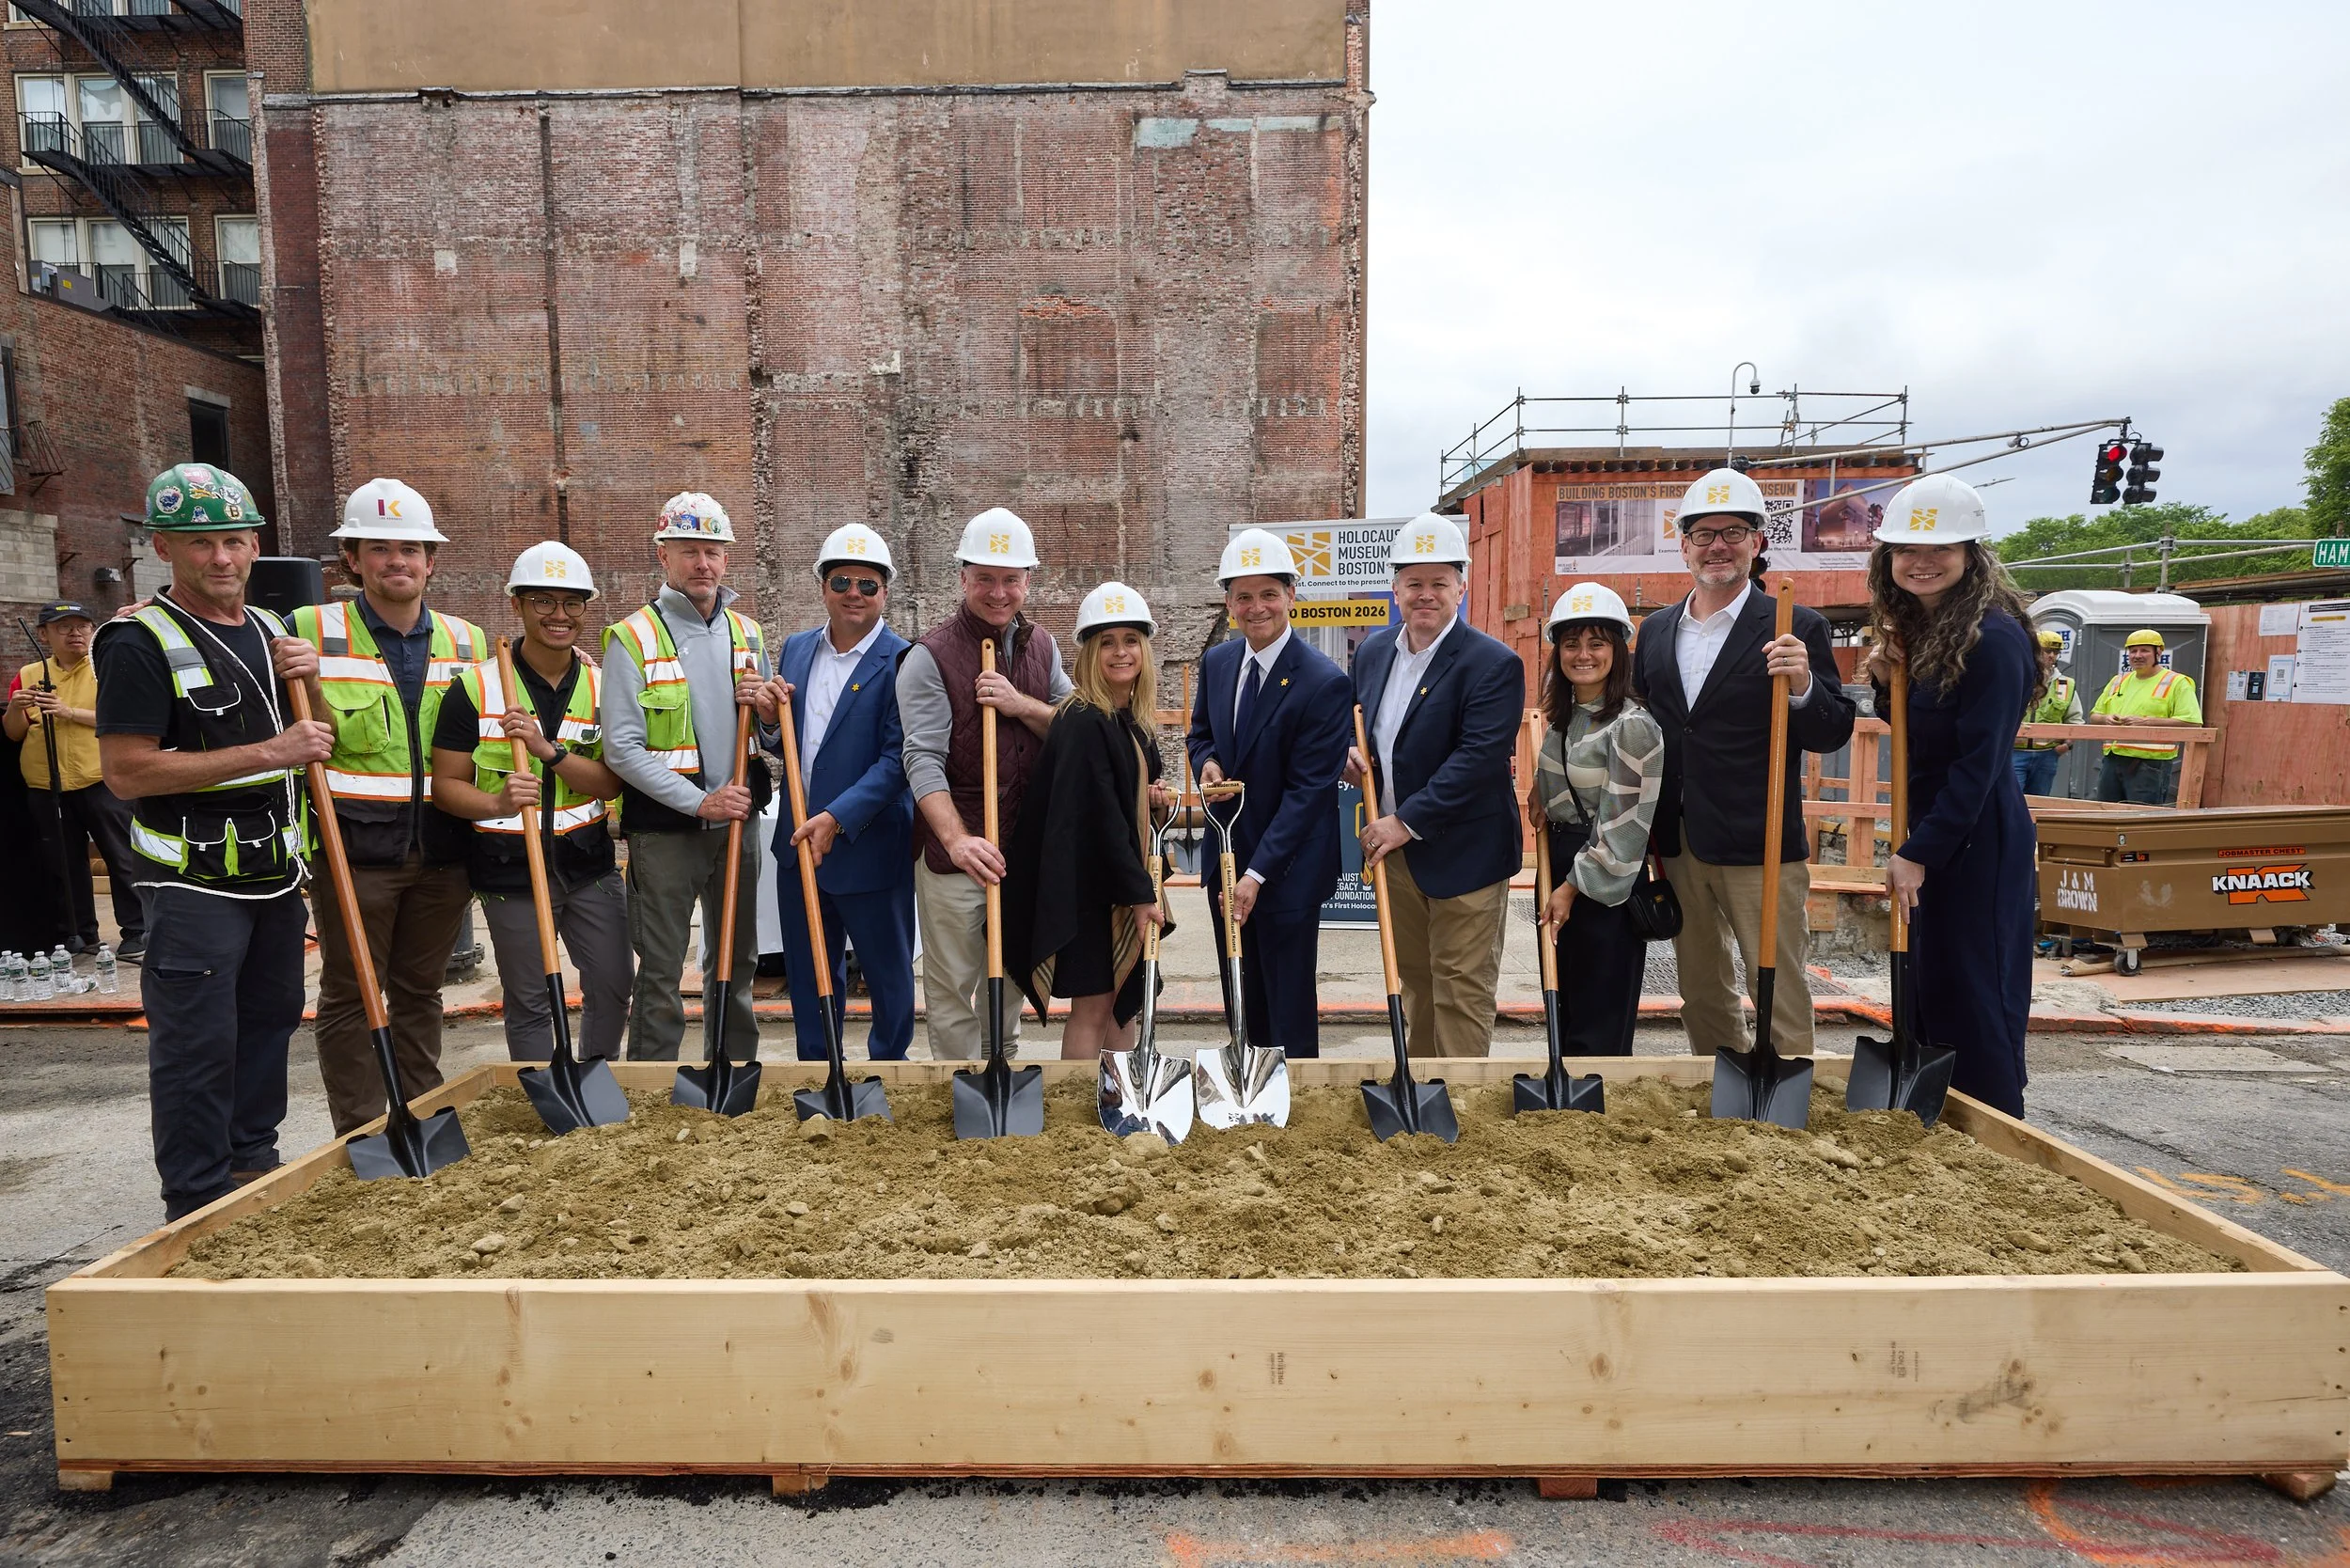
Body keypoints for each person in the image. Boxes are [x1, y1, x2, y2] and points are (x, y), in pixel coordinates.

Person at [94, 463, 331, 1220]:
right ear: (164, 547)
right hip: (193, 887)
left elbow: (315, 740)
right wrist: (270, 754)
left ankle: (253, 1169)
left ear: (256, 543)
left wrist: (312, 679)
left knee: (268, 1025)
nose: (221, 558)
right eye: (201, 544)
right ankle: (195, 1203)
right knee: (197, 1048)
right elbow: (127, 773)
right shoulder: (137, 640)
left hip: (274, 879)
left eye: (233, 540)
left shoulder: (271, 631)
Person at [1633, 467, 1857, 1059]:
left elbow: (1832, 729)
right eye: (1702, 535)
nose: (1717, 546)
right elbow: (1644, 726)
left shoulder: (1794, 626)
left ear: (1757, 542)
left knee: (1778, 984)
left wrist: (1806, 683)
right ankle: (1720, 1083)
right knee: (1701, 986)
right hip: (1679, 838)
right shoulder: (1655, 631)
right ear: (1682, 547)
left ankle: (1787, 1098)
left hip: (1759, 838)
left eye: (1733, 532)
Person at [285, 478, 487, 1134]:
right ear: (353, 560)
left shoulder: (468, 643)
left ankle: (423, 1116)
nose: (396, 561)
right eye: (379, 549)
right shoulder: (309, 630)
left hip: (443, 853)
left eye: (410, 549)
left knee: (420, 994)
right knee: (350, 994)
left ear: (432, 561)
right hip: (355, 853)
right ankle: (363, 1129)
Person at [1867, 475, 2037, 1117]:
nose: (1921, 562)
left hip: (1977, 840)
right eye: (1907, 550)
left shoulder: (1994, 640)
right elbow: (1924, 735)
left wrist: (1920, 852)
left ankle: (1998, 1120)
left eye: (1939, 549)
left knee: (1976, 985)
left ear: (1972, 555)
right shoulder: (1929, 632)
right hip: (1935, 831)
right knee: (1928, 980)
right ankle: (1937, 1112)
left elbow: (1978, 764)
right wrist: (1889, 685)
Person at [431, 543, 632, 1062]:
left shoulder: (602, 685)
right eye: (543, 601)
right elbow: (446, 787)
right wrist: (497, 799)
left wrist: (550, 752)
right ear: (517, 605)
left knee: (612, 983)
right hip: (510, 870)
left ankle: (594, 1077)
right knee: (530, 998)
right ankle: (539, 1096)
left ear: (586, 608)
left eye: (572, 603)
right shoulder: (475, 688)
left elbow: (611, 784)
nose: (559, 615)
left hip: (588, 866)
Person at [601, 492, 783, 1061]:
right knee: (660, 966)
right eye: (689, 552)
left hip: (737, 827)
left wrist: (774, 716)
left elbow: (771, 738)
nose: (702, 563)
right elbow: (622, 749)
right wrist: (699, 802)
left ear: (726, 558)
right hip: (666, 832)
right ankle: (653, 1083)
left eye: (713, 551)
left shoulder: (748, 634)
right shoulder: (631, 637)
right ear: (664, 556)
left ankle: (732, 1070)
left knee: (737, 958)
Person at [1343, 514, 1526, 1058]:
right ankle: (1420, 1096)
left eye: (1439, 583)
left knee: (1460, 991)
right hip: (1398, 856)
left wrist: (1404, 822)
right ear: (1395, 587)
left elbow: (1477, 760)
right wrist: (1353, 759)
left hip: (1464, 853)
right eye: (1414, 583)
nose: (1426, 595)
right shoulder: (1375, 653)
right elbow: (1367, 730)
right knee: (1415, 987)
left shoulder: (1492, 664)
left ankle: (1462, 1108)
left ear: (1460, 587)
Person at [897, 508, 1072, 1060]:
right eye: (986, 579)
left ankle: (1002, 1066)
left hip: (1024, 846)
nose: (999, 592)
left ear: (1028, 581)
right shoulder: (929, 657)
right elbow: (921, 760)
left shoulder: (1043, 647)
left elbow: (1071, 724)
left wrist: (1021, 704)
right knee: (952, 987)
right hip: (958, 851)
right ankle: (958, 1082)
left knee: (1010, 977)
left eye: (1011, 579)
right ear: (963, 579)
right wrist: (956, 841)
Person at [1185, 529, 1352, 1056]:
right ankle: (1248, 1088)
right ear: (1229, 602)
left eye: (1268, 594)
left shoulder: (1322, 681)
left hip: (1287, 871)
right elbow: (1200, 734)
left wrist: (1256, 874)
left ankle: (1294, 1104)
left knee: (1287, 1005)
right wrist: (1207, 763)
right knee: (1241, 993)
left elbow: (1308, 792)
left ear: (1291, 597)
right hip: (1226, 862)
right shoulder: (1217, 664)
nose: (1256, 608)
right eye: (1243, 596)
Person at [769, 525, 916, 1062]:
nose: (854, 592)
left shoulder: (905, 660)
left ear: (885, 591)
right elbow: (785, 740)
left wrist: (835, 816)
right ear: (823, 586)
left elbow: (899, 757)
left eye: (868, 584)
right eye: (842, 581)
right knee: (808, 974)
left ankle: (888, 1066)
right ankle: (820, 1067)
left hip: (867, 845)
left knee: (887, 973)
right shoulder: (796, 649)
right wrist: (766, 722)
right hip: (798, 847)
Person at [1002, 583, 1167, 1058]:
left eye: (1131, 640)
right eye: (1107, 643)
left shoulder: (1128, 716)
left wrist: (1149, 794)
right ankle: (1078, 1105)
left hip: (1116, 881)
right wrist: (1140, 897)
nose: (1121, 653)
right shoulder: (1083, 719)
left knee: (1121, 1004)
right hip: (1090, 892)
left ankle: (1118, 1100)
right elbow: (1100, 819)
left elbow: (1122, 795)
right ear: (1090, 653)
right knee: (1094, 1006)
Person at [1525, 583, 1665, 1056]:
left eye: (1596, 643)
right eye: (1571, 644)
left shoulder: (1633, 725)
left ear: (1617, 651)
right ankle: (1561, 1115)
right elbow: (1566, 781)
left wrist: (1569, 887)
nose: (1582, 654)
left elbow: (1625, 826)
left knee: (1598, 1009)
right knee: (1563, 1000)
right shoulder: (1565, 717)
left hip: (1604, 878)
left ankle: (1594, 1109)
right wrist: (1544, 792)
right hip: (1560, 858)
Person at [6, 601, 147, 957]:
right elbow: (13, 734)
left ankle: (136, 931)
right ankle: (80, 934)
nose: (76, 633)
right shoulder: (28, 672)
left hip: (99, 779)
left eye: (82, 626)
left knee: (122, 857)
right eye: (64, 627)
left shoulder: (106, 666)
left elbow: (124, 720)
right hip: (46, 784)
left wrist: (70, 712)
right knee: (64, 864)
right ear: (43, 635)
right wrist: (16, 708)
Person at [2091, 629, 2201, 805]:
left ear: (2158, 652)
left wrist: (2146, 722)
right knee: (2105, 815)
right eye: (2133, 651)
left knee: (2141, 819)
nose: (2137, 655)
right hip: (2112, 760)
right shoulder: (2118, 681)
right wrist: (2106, 719)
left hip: (2150, 765)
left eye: (2144, 650)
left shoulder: (2177, 682)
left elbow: (2193, 724)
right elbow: (2094, 717)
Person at [2012, 629, 2082, 797]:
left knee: (2039, 803)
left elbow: (2075, 720)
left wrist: (2066, 745)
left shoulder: (2066, 684)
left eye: (2055, 652)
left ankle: (2033, 826)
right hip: (2015, 752)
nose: (2051, 656)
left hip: (2047, 755)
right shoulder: (2018, 678)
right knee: (2013, 800)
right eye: (2046, 650)